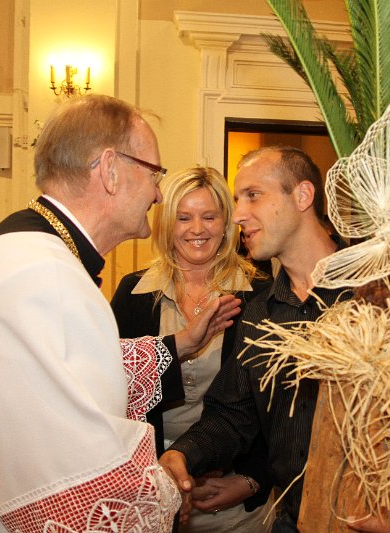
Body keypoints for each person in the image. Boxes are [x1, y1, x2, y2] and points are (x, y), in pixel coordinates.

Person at [0, 95, 240, 532]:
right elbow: (73, 476)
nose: (157, 194)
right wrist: (168, 489)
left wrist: (178, 346)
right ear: (110, 170)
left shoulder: (29, 251)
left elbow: (49, 377)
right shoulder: (43, 273)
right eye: (154, 173)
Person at [159, 145, 390, 533]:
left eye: (253, 195)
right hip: (294, 521)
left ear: (302, 195)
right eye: (237, 199)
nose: (237, 215)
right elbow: (233, 415)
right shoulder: (261, 314)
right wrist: (184, 454)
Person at [112, 166, 273, 532]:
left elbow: (277, 405)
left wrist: (252, 479)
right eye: (184, 218)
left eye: (209, 217)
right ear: (167, 224)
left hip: (234, 504)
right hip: (151, 495)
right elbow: (113, 392)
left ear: (226, 223)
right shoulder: (133, 294)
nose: (197, 229)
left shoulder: (260, 294)